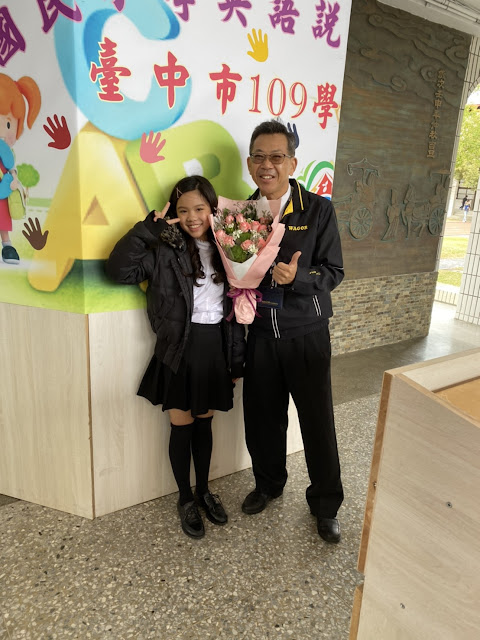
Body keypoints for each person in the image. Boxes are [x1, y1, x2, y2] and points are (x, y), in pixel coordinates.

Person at [105, 175, 246, 539]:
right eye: (183, 210)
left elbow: (233, 313)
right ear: (174, 213)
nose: (192, 217)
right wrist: (144, 233)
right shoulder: (163, 248)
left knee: (205, 425)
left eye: (199, 208)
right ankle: (185, 498)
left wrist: (236, 360)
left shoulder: (230, 248)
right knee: (181, 427)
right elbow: (118, 271)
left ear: (213, 209)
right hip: (179, 348)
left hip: (215, 347)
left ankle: (204, 491)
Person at [241, 119, 345, 543]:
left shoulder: (317, 209)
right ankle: (268, 485)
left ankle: (325, 504)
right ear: (250, 163)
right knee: (262, 418)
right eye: (259, 157)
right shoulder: (239, 214)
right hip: (260, 333)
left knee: (317, 422)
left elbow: (334, 271)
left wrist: (297, 277)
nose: (267, 165)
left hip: (306, 333)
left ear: (292, 163)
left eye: (276, 156)